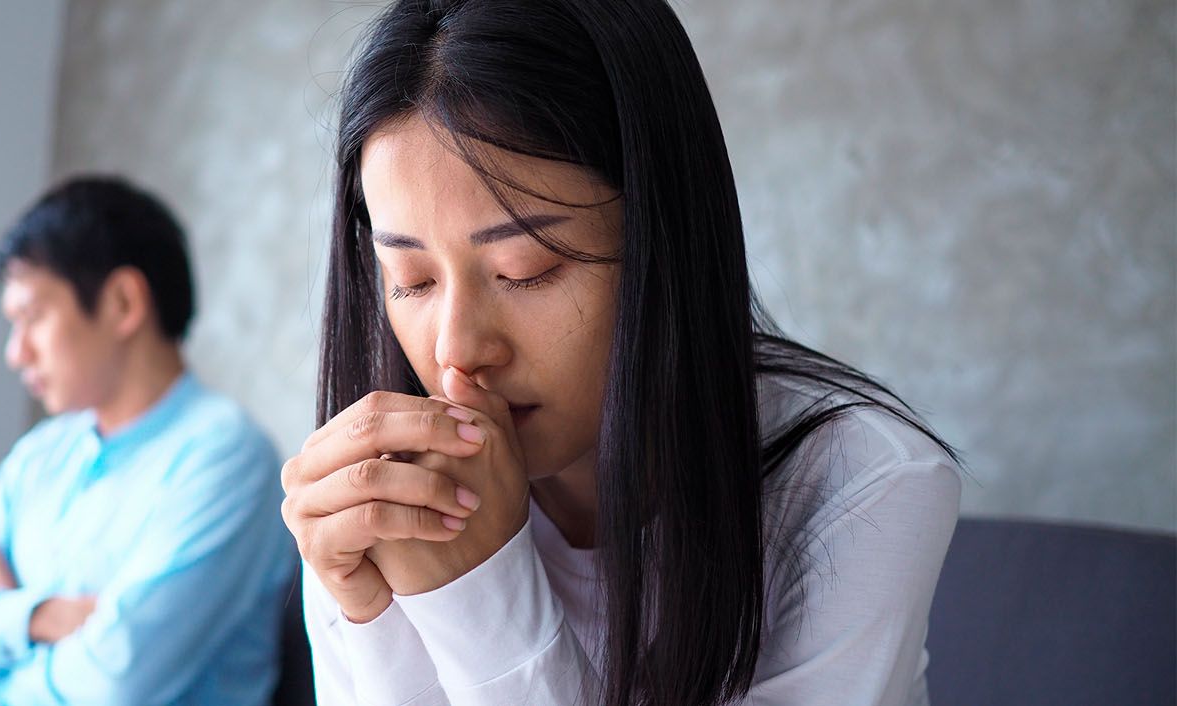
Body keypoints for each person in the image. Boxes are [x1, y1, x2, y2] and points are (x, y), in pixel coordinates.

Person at [281, 1, 963, 704]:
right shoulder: (368, 492)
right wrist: (375, 616)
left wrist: (479, 592)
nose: (457, 350)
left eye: (526, 269)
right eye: (412, 282)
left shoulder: (862, 486)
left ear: (663, 242)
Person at [0, 176, 295, 705]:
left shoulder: (226, 455)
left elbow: (114, 684)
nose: (16, 353)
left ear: (123, 303)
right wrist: (39, 616)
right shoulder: (39, 457)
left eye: (33, 317)